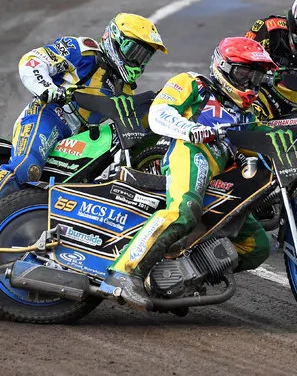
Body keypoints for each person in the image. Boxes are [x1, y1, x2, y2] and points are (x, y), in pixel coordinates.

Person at [0, 13, 168, 247]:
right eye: (135, 52)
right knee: (26, 167)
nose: (139, 62)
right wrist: (47, 87)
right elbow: (32, 60)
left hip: (81, 137)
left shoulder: (124, 87)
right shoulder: (84, 51)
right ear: (114, 39)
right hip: (48, 115)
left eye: (145, 56)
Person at [99, 36, 277, 310]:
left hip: (223, 175)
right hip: (191, 151)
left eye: (256, 77)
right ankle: (124, 273)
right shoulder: (194, 83)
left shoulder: (246, 116)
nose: (250, 84)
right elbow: (159, 112)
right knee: (184, 210)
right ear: (223, 67)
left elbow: (269, 138)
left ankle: (181, 276)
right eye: (244, 74)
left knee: (257, 246)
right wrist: (190, 129)